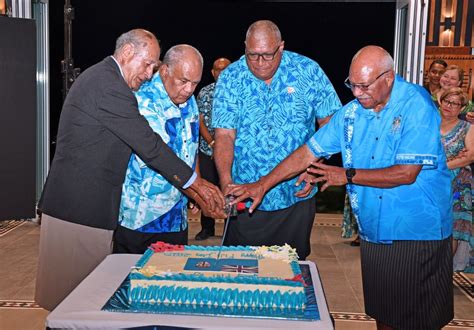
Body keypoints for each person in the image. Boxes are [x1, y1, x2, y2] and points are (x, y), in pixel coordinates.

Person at [228, 45, 454, 330]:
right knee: (384, 314)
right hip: (375, 230)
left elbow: (406, 173)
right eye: (352, 85)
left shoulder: (416, 104)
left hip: (416, 232)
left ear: (388, 77)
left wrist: (345, 174)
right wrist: (263, 185)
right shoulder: (352, 114)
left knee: (416, 320)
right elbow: (308, 151)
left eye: (364, 86)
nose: (357, 93)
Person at [35, 29, 225, 311]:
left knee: (89, 301)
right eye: (148, 64)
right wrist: (197, 185)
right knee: (72, 304)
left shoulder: (107, 81)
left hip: (93, 209)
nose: (150, 74)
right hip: (78, 209)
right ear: (126, 54)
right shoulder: (108, 86)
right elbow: (149, 145)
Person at [212, 20, 341, 260]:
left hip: (295, 195)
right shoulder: (230, 78)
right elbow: (224, 136)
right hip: (246, 197)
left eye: (267, 55)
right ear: (244, 47)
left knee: (290, 272)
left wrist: (315, 167)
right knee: (243, 273)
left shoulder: (308, 71)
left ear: (281, 47)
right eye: (252, 55)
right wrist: (226, 181)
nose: (260, 63)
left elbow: (332, 126)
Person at [114, 44, 206, 253]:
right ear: (165, 70)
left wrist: (195, 187)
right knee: (134, 282)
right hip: (141, 218)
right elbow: (159, 156)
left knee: (170, 281)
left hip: (176, 217)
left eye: (195, 83)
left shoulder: (189, 100)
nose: (189, 89)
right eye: (183, 81)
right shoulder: (140, 100)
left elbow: (190, 146)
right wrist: (199, 189)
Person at [194, 57, 231, 241]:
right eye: (218, 69)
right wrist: (212, 143)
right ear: (213, 72)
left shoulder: (237, 92)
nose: (221, 73)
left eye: (225, 69)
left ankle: (229, 229)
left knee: (229, 190)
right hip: (207, 150)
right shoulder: (205, 92)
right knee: (207, 189)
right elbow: (199, 120)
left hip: (232, 153)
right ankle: (206, 228)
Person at [439, 87, 473, 273]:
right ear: (441, 102)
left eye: (455, 104)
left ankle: (443, 272)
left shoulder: (468, 128)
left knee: (452, 230)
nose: (449, 106)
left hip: (457, 186)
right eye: (447, 101)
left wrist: (441, 165)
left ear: (461, 108)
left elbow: (469, 157)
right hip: (432, 184)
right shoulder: (430, 124)